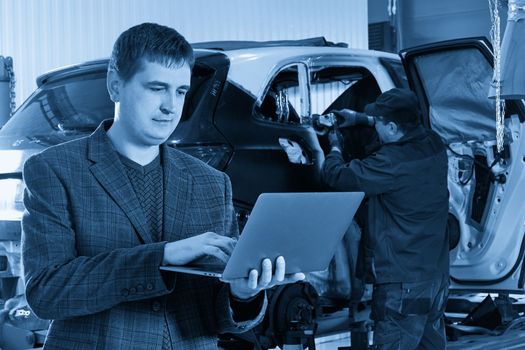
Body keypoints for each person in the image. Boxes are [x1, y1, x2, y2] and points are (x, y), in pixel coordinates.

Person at [21, 23, 303, 350]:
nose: (171, 106)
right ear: (115, 85)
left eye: (180, 91)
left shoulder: (212, 183)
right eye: (157, 88)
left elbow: (221, 316)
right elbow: (47, 293)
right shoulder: (55, 170)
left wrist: (244, 293)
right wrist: (164, 256)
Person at [321, 88, 450, 349]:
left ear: (392, 127)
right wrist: (359, 119)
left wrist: (334, 144)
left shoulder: (390, 163)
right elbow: (392, 126)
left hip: (403, 284)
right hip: (435, 278)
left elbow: (338, 177)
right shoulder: (434, 144)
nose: (375, 125)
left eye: (379, 122)